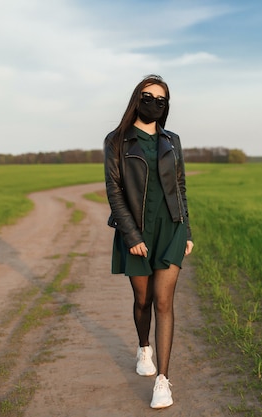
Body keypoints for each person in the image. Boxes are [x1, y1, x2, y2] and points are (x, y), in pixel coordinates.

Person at [104, 74, 194, 409]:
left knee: (164, 303)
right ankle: (144, 347)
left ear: (166, 107)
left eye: (161, 100)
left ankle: (163, 381)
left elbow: (180, 188)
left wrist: (187, 231)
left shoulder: (172, 141)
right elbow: (114, 191)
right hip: (138, 233)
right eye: (148, 97)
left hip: (170, 230)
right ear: (136, 99)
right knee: (142, 301)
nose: (154, 104)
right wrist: (130, 234)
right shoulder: (117, 141)